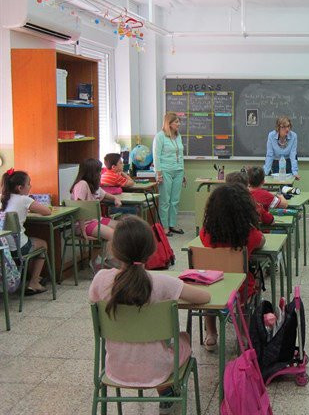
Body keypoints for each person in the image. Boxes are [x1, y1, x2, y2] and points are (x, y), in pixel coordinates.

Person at [89, 216, 210, 414]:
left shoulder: (100, 280)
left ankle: (166, 391)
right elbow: (204, 297)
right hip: (159, 369)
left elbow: (96, 301)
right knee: (183, 338)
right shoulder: (163, 283)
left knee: (142, 343)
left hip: (115, 368)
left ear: (113, 249)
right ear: (151, 250)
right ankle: (166, 390)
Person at [199, 184, 265, 351]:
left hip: (211, 286)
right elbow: (261, 241)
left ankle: (211, 333)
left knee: (211, 295)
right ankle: (242, 334)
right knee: (248, 286)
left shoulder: (206, 234)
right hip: (239, 289)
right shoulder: (249, 235)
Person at [0, 169, 51, 295]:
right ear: (20, 188)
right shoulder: (24, 199)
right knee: (43, 244)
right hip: (18, 248)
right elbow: (47, 211)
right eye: (29, 184)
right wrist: (31, 210)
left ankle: (34, 277)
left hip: (4, 247)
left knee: (32, 242)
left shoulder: (3, 198)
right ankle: (34, 283)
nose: (30, 186)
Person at [71, 158, 122, 271]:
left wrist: (114, 198)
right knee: (113, 235)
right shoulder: (82, 185)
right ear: (91, 172)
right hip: (83, 224)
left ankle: (102, 259)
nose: (100, 173)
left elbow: (105, 194)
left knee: (121, 228)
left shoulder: (93, 185)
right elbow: (80, 209)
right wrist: (83, 231)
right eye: (99, 171)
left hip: (95, 220)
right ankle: (101, 261)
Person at [153, 112, 186, 236]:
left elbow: (181, 155)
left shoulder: (178, 136)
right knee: (165, 200)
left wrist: (183, 172)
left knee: (175, 200)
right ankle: (164, 227)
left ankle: (172, 224)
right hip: (165, 171)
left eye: (179, 121)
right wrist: (159, 173)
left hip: (178, 170)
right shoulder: (160, 136)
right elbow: (156, 156)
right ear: (169, 123)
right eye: (176, 122)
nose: (179, 124)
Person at [263, 116, 300, 180]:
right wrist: (265, 173)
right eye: (284, 127)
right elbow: (270, 155)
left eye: (288, 126)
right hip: (276, 162)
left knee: (287, 187)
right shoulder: (271, 136)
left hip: (288, 162)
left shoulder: (293, 136)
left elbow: (293, 154)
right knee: (278, 183)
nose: (287, 129)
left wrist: (295, 172)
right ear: (278, 128)